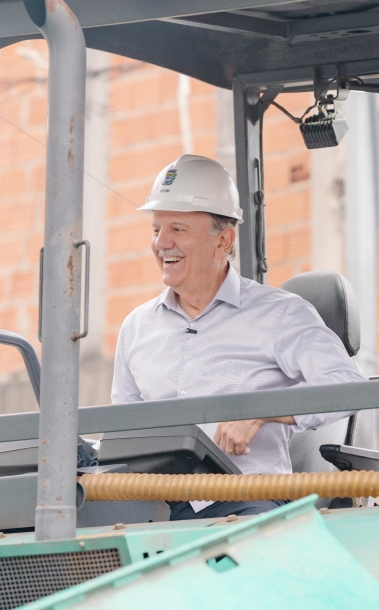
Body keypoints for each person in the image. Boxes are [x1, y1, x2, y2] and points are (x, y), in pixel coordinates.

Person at [112, 154, 364, 520]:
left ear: (223, 240)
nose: (161, 243)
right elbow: (122, 432)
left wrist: (261, 411)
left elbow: (347, 385)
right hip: (156, 505)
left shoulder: (280, 314)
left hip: (249, 499)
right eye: (156, 230)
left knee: (243, 539)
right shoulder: (136, 327)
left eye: (178, 229)